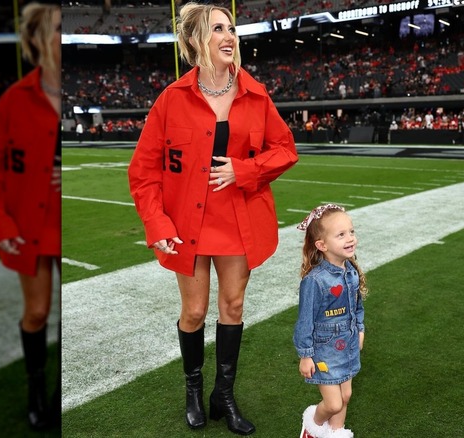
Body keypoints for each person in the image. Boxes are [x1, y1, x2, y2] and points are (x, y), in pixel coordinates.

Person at [127, 2, 298, 435]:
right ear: (194, 42)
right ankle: (192, 390)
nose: (229, 36)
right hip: (187, 225)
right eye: (217, 29)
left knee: (233, 305)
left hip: (239, 219)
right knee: (195, 310)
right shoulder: (171, 100)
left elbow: (286, 150)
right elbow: (143, 171)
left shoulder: (255, 95)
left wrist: (245, 170)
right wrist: (158, 225)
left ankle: (223, 395)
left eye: (231, 28)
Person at [0, 2, 61, 431]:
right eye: (56, 30)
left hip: (69, 221)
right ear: (36, 41)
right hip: (32, 224)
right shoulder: (15, 100)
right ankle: (36, 389)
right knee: (38, 311)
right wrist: (1, 224)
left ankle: (62, 391)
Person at [294, 204, 367, 438]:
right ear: (322, 245)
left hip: (348, 346)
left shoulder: (351, 272)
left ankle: (335, 433)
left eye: (351, 232)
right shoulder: (314, 281)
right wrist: (306, 356)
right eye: (341, 235)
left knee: (345, 397)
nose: (350, 239)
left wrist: (361, 329)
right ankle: (312, 426)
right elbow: (305, 322)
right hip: (324, 351)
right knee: (333, 404)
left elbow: (357, 306)